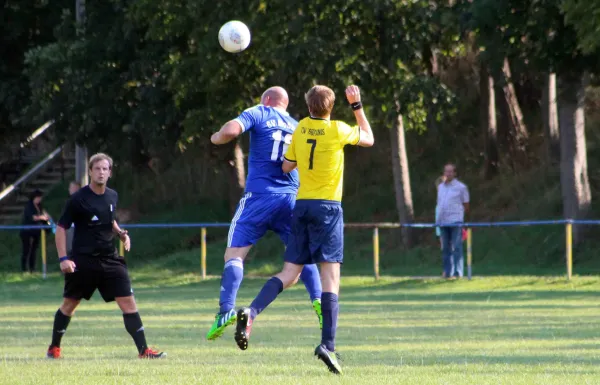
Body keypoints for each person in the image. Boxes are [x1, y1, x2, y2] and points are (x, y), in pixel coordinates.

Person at [234, 85, 374, 374]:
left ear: (308, 107)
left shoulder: (300, 130)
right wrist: (357, 106)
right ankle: (328, 345)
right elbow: (369, 138)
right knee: (330, 278)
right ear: (331, 107)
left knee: (289, 273)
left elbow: (286, 166)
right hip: (328, 208)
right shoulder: (337, 129)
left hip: (301, 206)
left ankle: (252, 312)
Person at [206, 86, 323, 341]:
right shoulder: (299, 125)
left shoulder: (260, 111)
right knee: (302, 255)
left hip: (259, 196)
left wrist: (216, 137)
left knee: (234, 255)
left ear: (267, 100)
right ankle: (318, 300)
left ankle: (226, 310)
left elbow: (230, 131)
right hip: (292, 198)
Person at [46, 153, 165, 360]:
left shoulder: (112, 195)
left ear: (110, 172)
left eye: (105, 169)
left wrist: (121, 234)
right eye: (97, 168)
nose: (101, 172)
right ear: (90, 171)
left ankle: (144, 350)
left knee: (129, 303)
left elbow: (109, 220)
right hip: (83, 261)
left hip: (110, 259)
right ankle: (54, 347)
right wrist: (64, 259)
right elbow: (61, 228)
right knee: (69, 305)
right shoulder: (77, 199)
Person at [437, 163, 470, 279]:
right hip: (443, 222)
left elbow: (466, 205)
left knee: (456, 247)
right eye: (446, 171)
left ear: (455, 173)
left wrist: (462, 218)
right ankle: (447, 272)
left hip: (456, 221)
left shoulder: (461, 187)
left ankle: (458, 273)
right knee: (445, 248)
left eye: (450, 171)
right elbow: (440, 204)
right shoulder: (440, 187)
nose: (448, 174)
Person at [20, 189, 50, 273]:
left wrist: (46, 217)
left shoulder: (40, 206)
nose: (39, 199)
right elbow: (32, 217)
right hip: (27, 231)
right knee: (26, 250)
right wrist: (41, 217)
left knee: (33, 250)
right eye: (38, 197)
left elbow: (44, 214)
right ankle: (24, 269)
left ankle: (32, 268)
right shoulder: (29, 206)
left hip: (36, 231)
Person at [66, 181, 81, 256]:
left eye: (72, 188)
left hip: (79, 229)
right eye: (70, 188)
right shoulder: (69, 201)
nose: (70, 190)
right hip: (70, 228)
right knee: (70, 251)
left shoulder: (82, 200)